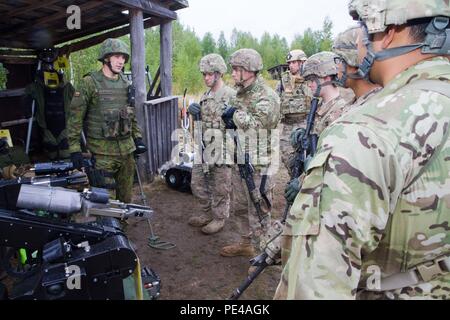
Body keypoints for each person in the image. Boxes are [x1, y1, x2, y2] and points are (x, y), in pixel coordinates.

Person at [275, 0, 450, 300]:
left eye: (360, 26)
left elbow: (317, 282)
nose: (357, 39)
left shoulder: (365, 131)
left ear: (389, 31)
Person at [67, 38, 147, 203]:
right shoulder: (89, 83)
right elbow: (74, 118)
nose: (121, 61)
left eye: (124, 57)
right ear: (105, 58)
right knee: (106, 203)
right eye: (117, 56)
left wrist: (137, 138)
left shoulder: (126, 83)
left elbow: (131, 115)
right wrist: (74, 149)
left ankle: (121, 228)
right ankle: (109, 228)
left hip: (127, 152)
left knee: (126, 200)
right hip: (102, 155)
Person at [220, 48, 280, 257]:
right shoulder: (240, 93)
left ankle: (263, 255)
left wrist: (234, 114)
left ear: (250, 71)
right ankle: (246, 244)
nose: (233, 73)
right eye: (233, 69)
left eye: (237, 69)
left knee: (259, 212)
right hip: (241, 159)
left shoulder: (267, 96)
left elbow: (255, 126)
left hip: (259, 165)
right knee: (240, 207)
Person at [284, 51, 349, 207]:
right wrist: (302, 136)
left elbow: (328, 161)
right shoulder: (320, 107)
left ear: (326, 78)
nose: (309, 84)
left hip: (327, 192)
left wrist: (302, 181)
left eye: (312, 80)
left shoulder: (339, 112)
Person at [187, 54, 236, 235]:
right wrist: (195, 114)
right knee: (197, 182)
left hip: (223, 148)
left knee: (220, 186)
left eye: (209, 74)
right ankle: (206, 212)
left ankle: (219, 217)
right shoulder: (205, 96)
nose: (206, 78)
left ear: (218, 73)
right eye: (204, 74)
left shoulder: (231, 96)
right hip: (204, 145)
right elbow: (202, 123)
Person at [277, 50, 310, 173]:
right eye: (289, 62)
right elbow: (276, 99)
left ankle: (305, 180)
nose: (291, 65)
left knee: (307, 154)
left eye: (294, 62)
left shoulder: (311, 78)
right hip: (288, 125)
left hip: (305, 123)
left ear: (302, 62)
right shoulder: (283, 80)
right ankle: (295, 176)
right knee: (286, 154)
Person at [332, 25, 382, 108]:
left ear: (353, 62)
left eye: (339, 60)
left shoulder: (374, 107)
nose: (336, 66)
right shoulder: (360, 103)